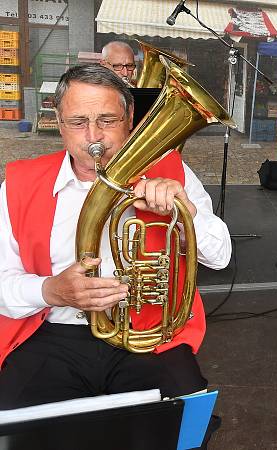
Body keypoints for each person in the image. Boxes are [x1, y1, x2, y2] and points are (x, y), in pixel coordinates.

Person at [0, 65, 231, 412]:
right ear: (60, 125)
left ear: (129, 120)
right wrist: (51, 290)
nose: (94, 136)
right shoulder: (19, 183)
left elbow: (221, 256)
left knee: (184, 422)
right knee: (16, 428)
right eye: (78, 122)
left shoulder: (172, 170)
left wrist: (185, 215)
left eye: (107, 120)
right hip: (51, 335)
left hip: (148, 336)